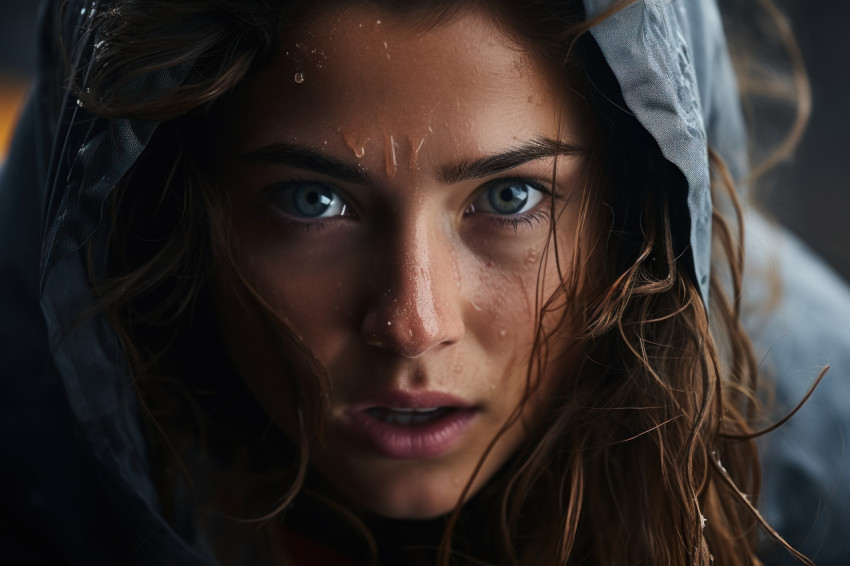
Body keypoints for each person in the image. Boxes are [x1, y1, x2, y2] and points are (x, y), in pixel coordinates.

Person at [1, 0, 848, 564]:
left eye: (510, 197)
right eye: (313, 200)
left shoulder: (820, 488)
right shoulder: (35, 455)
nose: (413, 323)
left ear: (634, 217)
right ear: (171, 208)